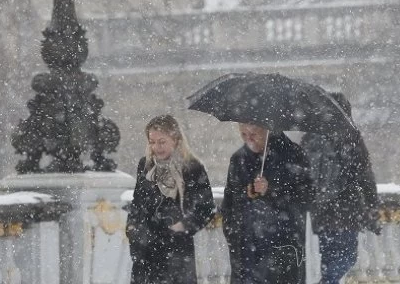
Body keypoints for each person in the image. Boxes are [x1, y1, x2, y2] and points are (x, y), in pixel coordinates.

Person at [125, 114, 216, 284]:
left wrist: (183, 225)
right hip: (146, 253)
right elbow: (137, 204)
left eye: (161, 141)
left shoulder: (192, 168)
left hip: (177, 253)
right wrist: (133, 230)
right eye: (152, 142)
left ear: (175, 139)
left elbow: (206, 207)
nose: (156, 147)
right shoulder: (145, 166)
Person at [304, 92, 381, 284]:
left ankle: (327, 281)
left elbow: (302, 175)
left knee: (328, 259)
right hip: (345, 210)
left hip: (319, 212)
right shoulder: (350, 137)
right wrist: (372, 204)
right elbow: (364, 174)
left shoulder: (309, 138)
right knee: (346, 258)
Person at [220, 122, 312, 284]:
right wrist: (233, 234)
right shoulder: (238, 159)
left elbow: (307, 196)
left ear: (267, 129)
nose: (249, 140)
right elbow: (229, 202)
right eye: (243, 135)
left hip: (282, 247)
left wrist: (272, 190)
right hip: (246, 250)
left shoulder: (293, 154)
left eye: (254, 134)